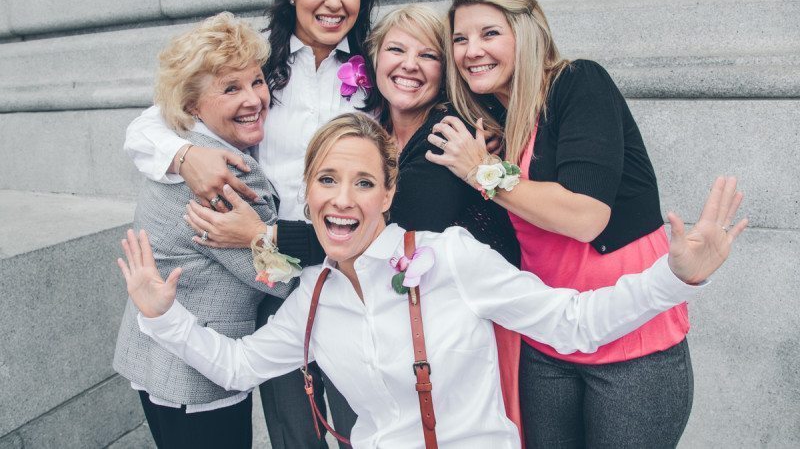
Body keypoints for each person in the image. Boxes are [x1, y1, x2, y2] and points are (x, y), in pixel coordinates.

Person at [117, 112, 746, 449]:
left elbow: (574, 323)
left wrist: (674, 278)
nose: (343, 200)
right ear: (306, 196)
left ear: (390, 193)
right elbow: (234, 367)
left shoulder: (452, 259)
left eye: (364, 182)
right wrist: (161, 317)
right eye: (327, 180)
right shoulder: (309, 299)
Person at [181, 4, 522, 431]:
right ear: (374, 58)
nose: (410, 65)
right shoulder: (375, 124)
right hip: (383, 308)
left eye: (429, 55)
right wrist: (184, 152)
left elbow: (389, 234)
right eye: (397, 49)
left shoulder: (444, 131)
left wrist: (263, 234)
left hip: (457, 333)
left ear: (446, 70)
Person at [427, 0, 713, 448]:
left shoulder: (578, 83)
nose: (471, 50)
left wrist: (484, 174)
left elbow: (586, 216)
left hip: (630, 339)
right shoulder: (497, 124)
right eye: (459, 38)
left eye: (490, 33)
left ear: (528, 32)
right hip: (548, 339)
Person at [122, 0, 374, 445]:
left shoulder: (379, 69)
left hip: (357, 280)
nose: (333, 2)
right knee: (294, 432)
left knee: (366, 427)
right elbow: (152, 122)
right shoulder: (258, 63)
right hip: (274, 288)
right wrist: (184, 153)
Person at [112, 12, 295, 449]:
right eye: (231, 88)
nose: (253, 98)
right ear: (193, 105)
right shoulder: (229, 173)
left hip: (152, 355)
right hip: (199, 366)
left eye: (256, 81)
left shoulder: (184, 150)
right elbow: (278, 278)